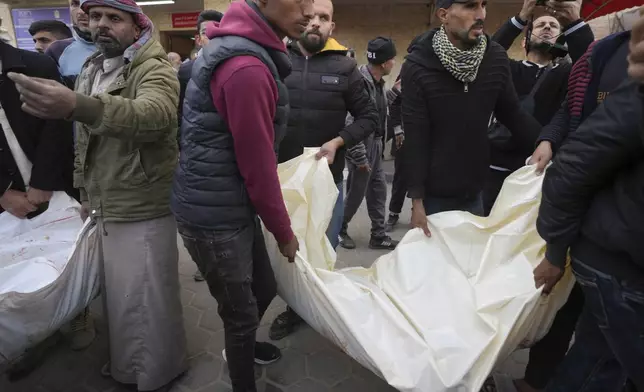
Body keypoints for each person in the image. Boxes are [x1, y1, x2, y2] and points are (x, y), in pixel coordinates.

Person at [10, 0, 188, 390]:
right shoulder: (92, 67)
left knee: (146, 294)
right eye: (95, 17)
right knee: (120, 295)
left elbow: (154, 116)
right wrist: (86, 190)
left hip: (142, 201)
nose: (102, 24)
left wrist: (77, 105)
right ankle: (128, 364)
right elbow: (83, 142)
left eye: (114, 18)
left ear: (137, 25)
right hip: (105, 200)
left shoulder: (153, 68)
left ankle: (155, 372)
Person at [170, 0, 313, 391]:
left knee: (264, 287)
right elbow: (257, 166)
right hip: (213, 215)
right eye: (299, 1)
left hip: (226, 201)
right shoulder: (247, 68)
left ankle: (243, 347)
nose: (308, 11)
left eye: (314, 3)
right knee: (240, 315)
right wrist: (284, 232)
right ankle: (242, 375)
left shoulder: (240, 48)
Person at [268, 0, 378, 341]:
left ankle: (303, 311)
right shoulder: (274, 60)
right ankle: (284, 300)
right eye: (310, 16)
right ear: (298, 21)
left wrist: (338, 142)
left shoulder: (346, 68)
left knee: (318, 250)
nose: (315, 23)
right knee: (279, 251)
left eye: (324, 18)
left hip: (324, 181)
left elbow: (369, 118)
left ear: (333, 27)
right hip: (278, 179)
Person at [402, 0, 542, 236]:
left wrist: (545, 141)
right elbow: (416, 138)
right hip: (435, 197)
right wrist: (417, 201)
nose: (480, 14)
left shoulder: (494, 57)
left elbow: (512, 114)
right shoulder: (417, 67)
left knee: (469, 267)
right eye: (470, 6)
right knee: (438, 268)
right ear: (444, 15)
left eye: (483, 5)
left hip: (476, 190)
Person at [483, 0, 593, 216]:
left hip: (539, 168)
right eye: (540, 24)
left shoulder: (566, 74)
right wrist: (522, 16)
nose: (547, 27)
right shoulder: (509, 68)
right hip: (496, 166)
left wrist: (574, 23)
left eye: (553, 26)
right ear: (525, 41)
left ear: (560, 40)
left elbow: (590, 62)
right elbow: (487, 53)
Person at [176, 9, 224, 283]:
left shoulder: (235, 64)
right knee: (200, 213)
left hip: (226, 155)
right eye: (207, 31)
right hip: (194, 154)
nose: (213, 36)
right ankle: (204, 263)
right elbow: (178, 111)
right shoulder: (186, 71)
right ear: (198, 38)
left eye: (219, 29)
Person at [0, 40, 75, 217]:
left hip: (59, 191)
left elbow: (57, 126)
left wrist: (43, 182)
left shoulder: (35, 65)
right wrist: (3, 191)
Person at [340, 37, 399, 251]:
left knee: (379, 190)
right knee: (355, 196)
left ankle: (378, 235)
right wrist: (360, 157)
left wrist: (393, 94)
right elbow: (351, 121)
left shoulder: (378, 83)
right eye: (392, 59)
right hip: (362, 148)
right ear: (384, 63)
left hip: (375, 145)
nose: (394, 63)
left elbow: (376, 111)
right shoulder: (361, 82)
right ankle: (339, 229)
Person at [46, 0, 97, 85]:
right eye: (75, 4)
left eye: (90, 2)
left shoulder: (125, 48)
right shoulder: (57, 50)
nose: (81, 11)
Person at [385, 74, 405, 232]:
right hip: (407, 134)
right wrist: (398, 130)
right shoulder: (410, 69)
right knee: (401, 177)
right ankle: (393, 213)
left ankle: (420, 213)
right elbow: (393, 102)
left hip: (430, 134)